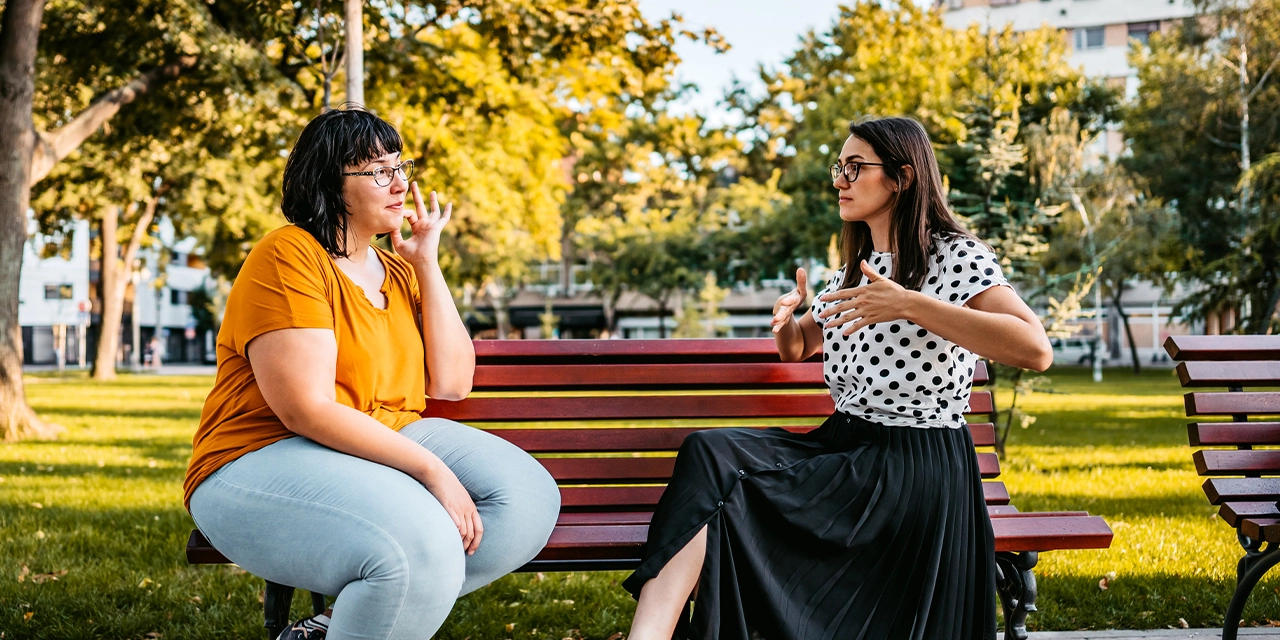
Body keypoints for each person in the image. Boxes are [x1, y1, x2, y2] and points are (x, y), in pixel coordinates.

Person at [621, 116, 1053, 640]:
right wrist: (785, 323)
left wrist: (911, 305)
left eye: (855, 167)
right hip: (847, 447)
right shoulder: (857, 268)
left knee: (718, 467)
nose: (840, 180)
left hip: (915, 464)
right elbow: (802, 345)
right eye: (839, 167)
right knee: (710, 455)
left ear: (902, 177)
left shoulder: (954, 255)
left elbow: (1035, 348)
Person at [183, 107, 560, 640]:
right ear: (330, 182)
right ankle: (392, 584)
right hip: (257, 455)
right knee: (419, 545)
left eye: (400, 166)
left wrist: (427, 263)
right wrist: (433, 472)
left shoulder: (401, 270)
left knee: (528, 501)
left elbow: (452, 382)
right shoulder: (289, 255)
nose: (401, 183)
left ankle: (331, 627)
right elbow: (305, 409)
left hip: (384, 435)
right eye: (379, 171)